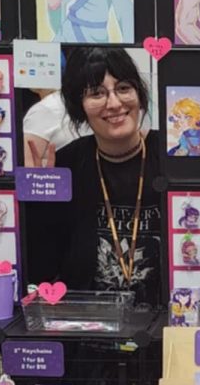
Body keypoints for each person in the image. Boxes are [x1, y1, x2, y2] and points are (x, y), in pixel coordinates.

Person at [24, 47, 163, 307]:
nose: (114, 103)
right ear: (80, 106)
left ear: (139, 94)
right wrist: (40, 203)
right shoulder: (66, 167)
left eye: (123, 88)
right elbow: (41, 269)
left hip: (166, 324)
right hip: (87, 324)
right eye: (97, 93)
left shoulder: (170, 158)